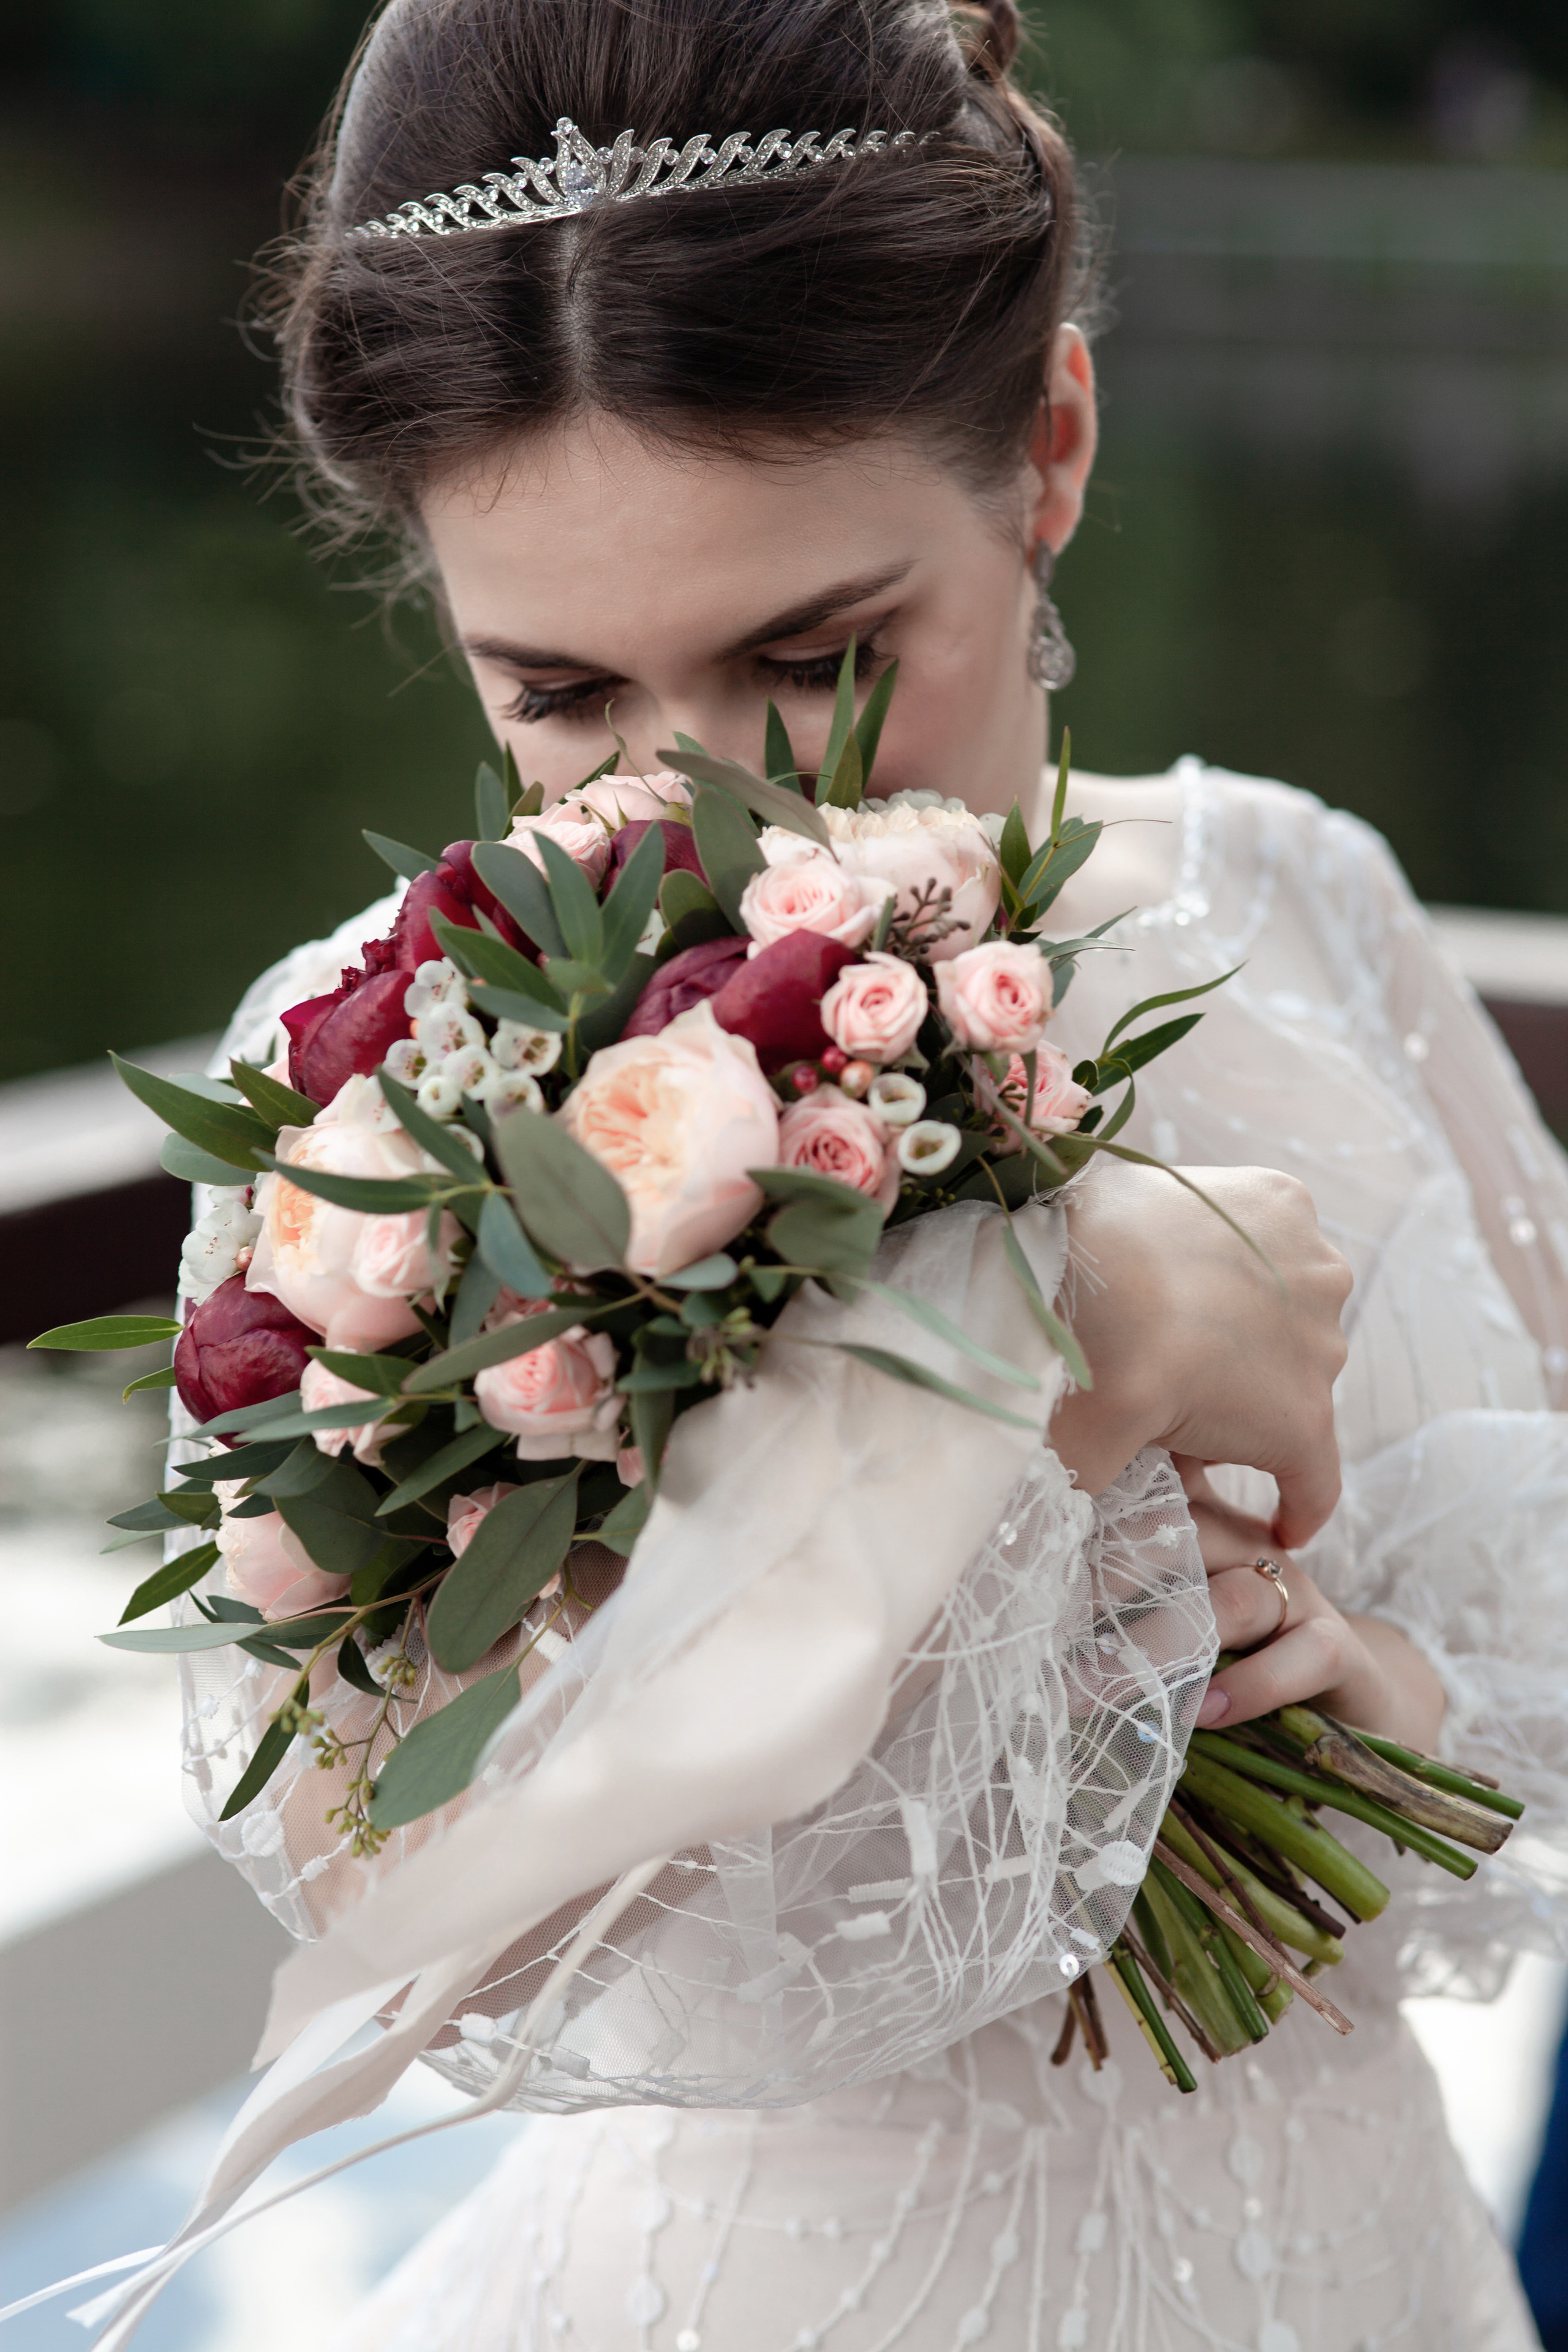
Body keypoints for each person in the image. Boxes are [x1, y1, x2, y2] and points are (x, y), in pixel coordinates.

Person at [181, 1, 1568, 2344]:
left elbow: (1533, 1685)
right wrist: (1055, 1364)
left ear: (1049, 448)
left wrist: (1373, 1697)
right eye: (560, 697)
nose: (717, 817)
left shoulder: (1307, 906)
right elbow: (427, 1936)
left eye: (816, 655)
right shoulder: (391, 1120)